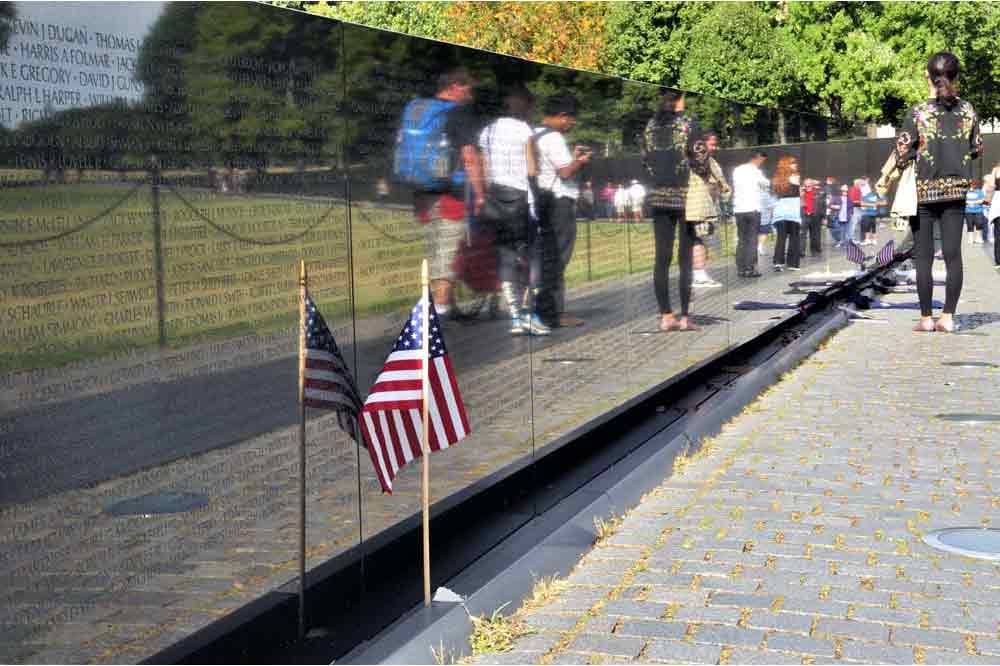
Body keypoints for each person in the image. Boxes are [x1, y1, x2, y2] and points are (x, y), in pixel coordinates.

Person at [889, 51, 982, 333]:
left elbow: (902, 154)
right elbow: (977, 149)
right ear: (956, 76)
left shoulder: (918, 112)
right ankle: (949, 318)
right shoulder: (968, 111)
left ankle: (927, 319)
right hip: (956, 192)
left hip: (924, 194)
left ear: (927, 76)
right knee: (953, 255)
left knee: (924, 258)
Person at [399, 68, 485, 316]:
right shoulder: (457, 113)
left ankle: (435, 313)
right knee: (446, 261)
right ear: (456, 86)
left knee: (434, 256)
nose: (470, 94)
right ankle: (440, 318)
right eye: (468, 88)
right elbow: (469, 157)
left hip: (423, 196)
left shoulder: (418, 110)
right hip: (452, 196)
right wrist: (479, 194)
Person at [478, 86, 549, 336]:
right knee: (534, 254)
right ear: (517, 103)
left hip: (496, 198)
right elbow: (532, 169)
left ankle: (515, 318)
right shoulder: (522, 129)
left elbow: (485, 172)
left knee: (506, 256)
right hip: (521, 198)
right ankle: (532, 313)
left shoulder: (486, 132)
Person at [642, 88, 706, 332]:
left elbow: (645, 160)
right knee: (685, 258)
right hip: (684, 196)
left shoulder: (650, 126)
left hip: (658, 196)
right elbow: (700, 157)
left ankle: (665, 316)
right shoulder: (688, 123)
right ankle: (685, 317)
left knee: (662, 258)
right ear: (679, 99)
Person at [534, 93, 591, 329]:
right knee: (558, 258)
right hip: (559, 204)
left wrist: (573, 159)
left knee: (547, 257)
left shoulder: (533, 134)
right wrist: (581, 161)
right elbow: (565, 173)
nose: (572, 124)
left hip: (542, 201)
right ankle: (555, 313)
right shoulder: (555, 137)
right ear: (562, 116)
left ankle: (542, 309)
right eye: (571, 120)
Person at [687, 131, 730, 287]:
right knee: (700, 240)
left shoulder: (688, 159)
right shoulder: (707, 161)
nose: (715, 147)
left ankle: (696, 274)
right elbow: (720, 182)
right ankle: (699, 276)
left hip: (689, 207)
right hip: (702, 208)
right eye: (712, 144)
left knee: (694, 240)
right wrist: (725, 193)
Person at [732, 150, 769, 277]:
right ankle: (750, 268)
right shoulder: (756, 171)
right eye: (762, 161)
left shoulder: (737, 170)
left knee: (742, 239)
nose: (761, 163)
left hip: (739, 209)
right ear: (758, 158)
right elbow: (766, 184)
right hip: (753, 208)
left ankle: (741, 268)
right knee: (752, 239)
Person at [771, 156, 802, 272]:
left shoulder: (776, 179)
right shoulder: (795, 177)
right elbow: (800, 194)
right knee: (794, 237)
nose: (795, 165)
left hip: (780, 211)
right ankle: (793, 263)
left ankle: (778, 262)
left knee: (781, 238)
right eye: (793, 163)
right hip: (793, 211)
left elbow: (774, 197)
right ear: (787, 165)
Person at [801, 178, 824, 256]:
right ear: (804, 185)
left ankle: (814, 250)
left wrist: (824, 217)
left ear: (812, 185)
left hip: (815, 216)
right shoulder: (801, 193)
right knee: (802, 235)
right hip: (804, 216)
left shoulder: (819, 193)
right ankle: (801, 252)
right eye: (806, 185)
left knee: (815, 235)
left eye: (809, 185)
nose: (808, 186)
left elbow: (823, 205)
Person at [986, 162, 1000, 266]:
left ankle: (998, 260)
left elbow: (990, 187)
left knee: (998, 234)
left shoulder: (996, 170)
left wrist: (986, 201)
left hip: (998, 204)